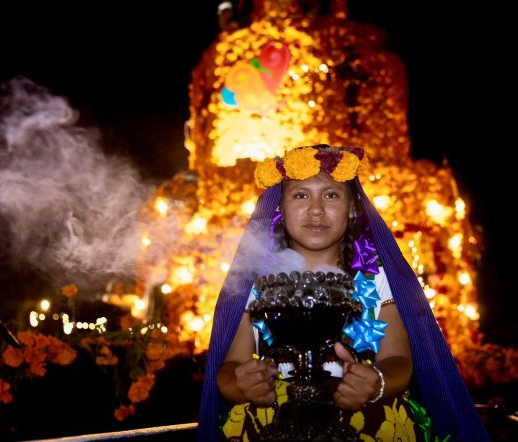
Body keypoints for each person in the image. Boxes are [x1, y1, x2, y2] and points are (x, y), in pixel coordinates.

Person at [199, 145, 489, 441]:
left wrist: (375, 383)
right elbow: (229, 370)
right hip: (271, 417)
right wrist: (243, 384)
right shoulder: (254, 280)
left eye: (331, 195)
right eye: (301, 195)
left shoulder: (377, 277)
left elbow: (399, 361)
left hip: (368, 417)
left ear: (352, 208)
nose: (316, 209)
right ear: (280, 208)